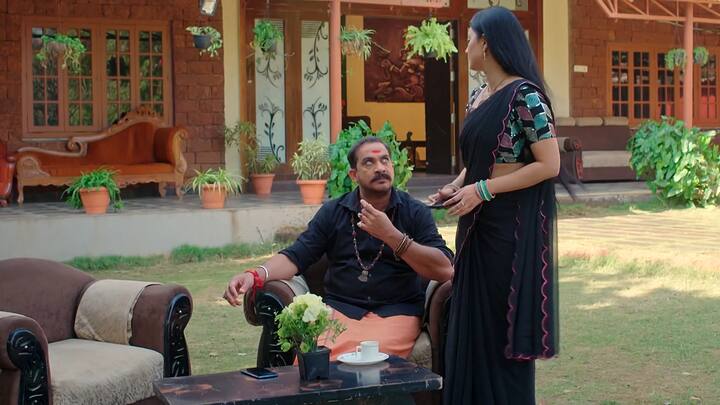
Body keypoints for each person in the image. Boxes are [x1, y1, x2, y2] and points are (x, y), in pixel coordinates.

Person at [429, 6, 560, 404]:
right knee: (472, 327)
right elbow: (480, 160)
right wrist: (456, 187)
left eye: (468, 39)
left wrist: (482, 190)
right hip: (474, 228)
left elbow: (549, 164)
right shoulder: (479, 95)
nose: (464, 47)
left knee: (501, 329)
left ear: (485, 44)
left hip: (508, 233)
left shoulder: (526, 97)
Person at [225, 136, 454, 360]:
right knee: (315, 366)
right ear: (354, 175)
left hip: (397, 313)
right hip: (341, 312)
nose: (380, 167)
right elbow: (297, 255)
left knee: (372, 364)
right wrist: (255, 275)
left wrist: (391, 235)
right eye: (369, 162)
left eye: (385, 160)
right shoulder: (334, 212)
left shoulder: (414, 212)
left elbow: (444, 269)